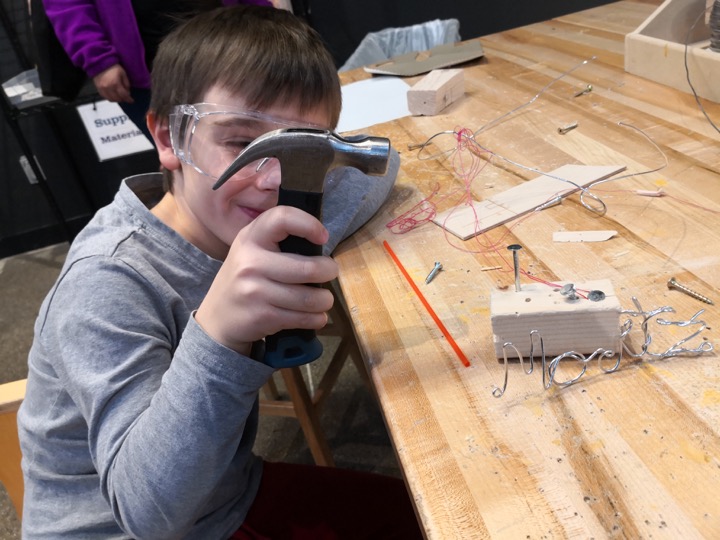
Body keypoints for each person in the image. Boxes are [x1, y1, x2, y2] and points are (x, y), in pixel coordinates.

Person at [18, 5, 422, 539]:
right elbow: (147, 516)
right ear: (169, 139)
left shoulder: (231, 215)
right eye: (239, 142)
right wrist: (219, 335)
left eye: (305, 147)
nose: (272, 179)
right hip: (141, 526)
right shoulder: (107, 284)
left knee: (435, 516)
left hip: (224, 492)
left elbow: (380, 167)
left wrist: (301, 229)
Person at [43, 0, 274, 140]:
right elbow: (65, 5)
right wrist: (98, 60)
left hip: (232, 48)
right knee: (190, 160)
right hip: (148, 72)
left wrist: (270, 25)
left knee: (269, 138)